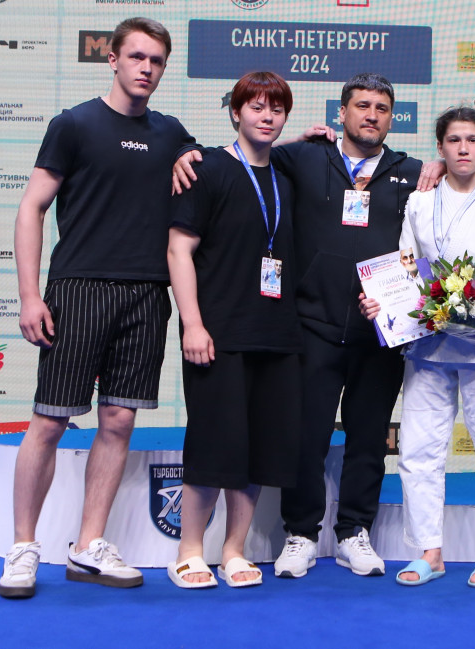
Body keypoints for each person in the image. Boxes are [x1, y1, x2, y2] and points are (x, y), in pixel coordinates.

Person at [173, 75, 475, 579]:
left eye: (382, 108)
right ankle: (300, 534)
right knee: (306, 437)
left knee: (369, 439)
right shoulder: (302, 158)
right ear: (341, 112)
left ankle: (354, 532)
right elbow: (248, 154)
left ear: (392, 118)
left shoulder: (412, 174)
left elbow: (465, 182)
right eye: (362, 105)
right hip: (311, 325)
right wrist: (187, 152)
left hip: (381, 333)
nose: (371, 115)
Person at [0, 17, 195, 598]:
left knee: (118, 421)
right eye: (137, 57)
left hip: (146, 295)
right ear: (112, 59)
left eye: (156, 61)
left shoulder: (172, 134)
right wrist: (30, 295)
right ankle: (23, 546)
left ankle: (88, 545)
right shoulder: (74, 124)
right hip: (79, 289)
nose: (146, 68)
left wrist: (299, 145)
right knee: (49, 421)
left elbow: (235, 163)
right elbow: (31, 208)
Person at [361, 107, 475, 588]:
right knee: (418, 452)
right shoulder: (420, 202)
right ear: (440, 147)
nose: (463, 148)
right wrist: (382, 303)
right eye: (453, 140)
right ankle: (429, 552)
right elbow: (406, 270)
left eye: (471, 140)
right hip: (429, 342)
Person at [165, 71, 303, 590]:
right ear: (236, 112)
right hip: (218, 334)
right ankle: (189, 551)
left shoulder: (286, 176)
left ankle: (234, 550)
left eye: (276, 109)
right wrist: (193, 324)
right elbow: (179, 250)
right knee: (213, 446)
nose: (267, 117)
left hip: (277, 334)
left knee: (258, 452)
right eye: (257, 107)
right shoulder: (206, 168)